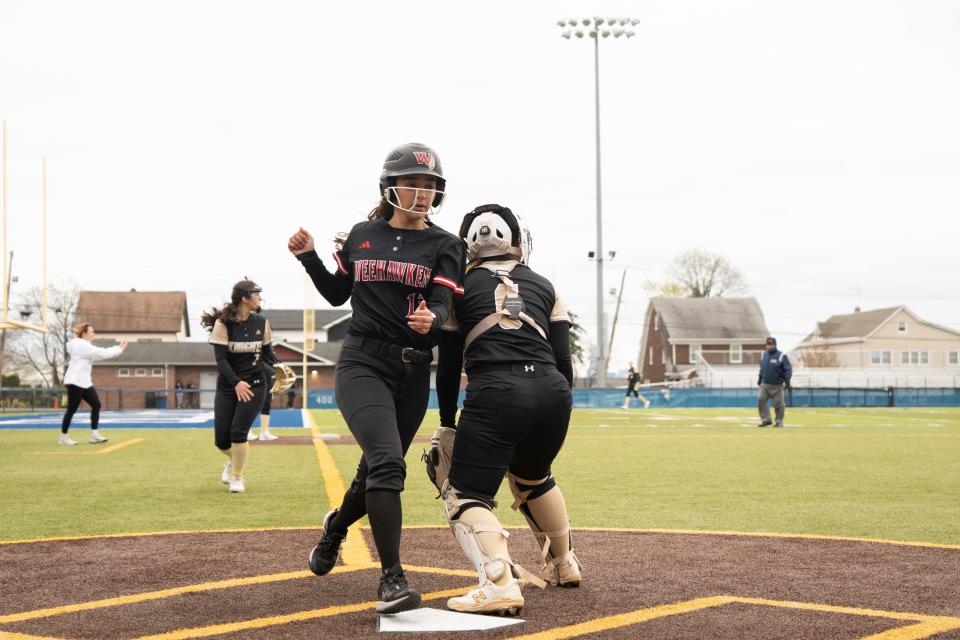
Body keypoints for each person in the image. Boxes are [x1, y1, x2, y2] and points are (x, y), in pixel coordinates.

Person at [288, 143, 464, 615]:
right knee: (389, 465)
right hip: (361, 362)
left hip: (410, 372)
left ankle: (335, 528)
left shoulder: (446, 244)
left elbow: (443, 303)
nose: (423, 193)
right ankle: (391, 579)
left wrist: (435, 318)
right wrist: (308, 257)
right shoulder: (362, 235)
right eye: (414, 183)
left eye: (430, 186)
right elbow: (336, 294)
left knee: (373, 474)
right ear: (390, 187)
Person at [433, 204, 580, 615]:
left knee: (464, 492)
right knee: (534, 477)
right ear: (516, 240)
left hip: (497, 387)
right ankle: (563, 562)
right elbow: (564, 360)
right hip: (552, 389)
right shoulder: (546, 285)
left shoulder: (459, 287)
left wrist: (447, 422)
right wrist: (553, 402)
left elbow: (447, 367)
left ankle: (498, 582)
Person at [200, 280, 279, 493]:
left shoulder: (262, 322)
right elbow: (221, 360)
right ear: (244, 298)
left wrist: (280, 366)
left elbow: (267, 353)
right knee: (221, 441)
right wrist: (235, 383)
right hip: (228, 386)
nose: (260, 298)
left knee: (238, 433)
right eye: (256, 294)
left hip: (255, 384)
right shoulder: (223, 324)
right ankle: (233, 462)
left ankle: (237, 476)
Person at [59, 323, 128, 445]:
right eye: (91, 332)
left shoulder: (85, 346)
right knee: (72, 409)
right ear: (84, 333)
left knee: (96, 404)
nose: (93, 334)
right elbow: (101, 353)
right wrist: (118, 349)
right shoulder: (81, 345)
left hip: (84, 382)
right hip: (75, 381)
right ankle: (63, 437)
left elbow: (99, 355)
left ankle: (94, 435)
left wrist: (116, 350)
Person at [758, 336, 792, 427]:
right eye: (768, 344)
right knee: (761, 399)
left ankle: (779, 421)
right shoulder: (763, 355)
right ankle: (766, 419)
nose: (769, 346)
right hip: (765, 384)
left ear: (775, 345)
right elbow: (762, 368)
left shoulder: (781, 355)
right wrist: (760, 378)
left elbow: (788, 369)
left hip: (777, 385)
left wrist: (787, 380)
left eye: (771, 344)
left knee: (779, 404)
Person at [248, 365, 279, 441]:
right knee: (251, 405)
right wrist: (275, 371)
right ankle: (246, 432)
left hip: (267, 380)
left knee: (267, 405)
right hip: (256, 378)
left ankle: (264, 432)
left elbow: (272, 360)